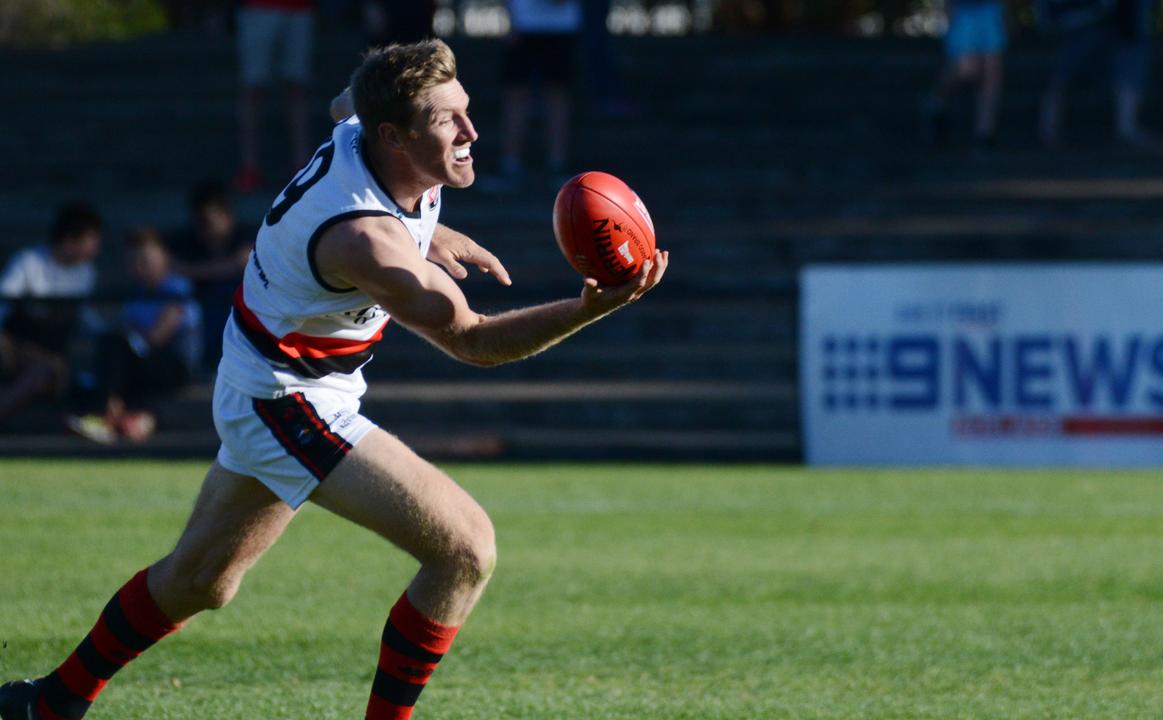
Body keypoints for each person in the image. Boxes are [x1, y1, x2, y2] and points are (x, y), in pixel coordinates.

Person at [0, 39, 667, 720]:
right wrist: (590, 309)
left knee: (203, 581)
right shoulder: (364, 242)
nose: (471, 133)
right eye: (447, 122)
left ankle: (49, 704)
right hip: (286, 396)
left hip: (273, 373)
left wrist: (425, 230)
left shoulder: (368, 127)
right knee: (466, 550)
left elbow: (347, 99)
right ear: (394, 139)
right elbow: (474, 341)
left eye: (466, 110)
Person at [66, 229, 201, 445]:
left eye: (145, 260)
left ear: (164, 257)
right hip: (140, 364)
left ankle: (105, 417)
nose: (139, 267)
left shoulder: (178, 289)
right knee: (97, 367)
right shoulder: (136, 294)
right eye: (133, 261)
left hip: (172, 364)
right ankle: (118, 415)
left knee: (113, 347)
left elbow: (155, 339)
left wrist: (132, 335)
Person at [0, 203, 101, 424]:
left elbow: (88, 319)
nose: (96, 248)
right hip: (14, 346)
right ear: (70, 239)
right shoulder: (29, 262)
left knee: (45, 372)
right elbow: (4, 300)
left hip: (51, 357)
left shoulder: (86, 273)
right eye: (91, 239)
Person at [488, 0, 583, 192]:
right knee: (516, 95)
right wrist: (510, 20)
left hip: (562, 26)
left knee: (558, 96)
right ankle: (510, 165)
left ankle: (557, 164)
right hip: (523, 24)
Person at [1038, 0, 1156, 146]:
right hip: (1072, 28)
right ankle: (1049, 129)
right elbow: (1050, 15)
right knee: (1061, 73)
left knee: (1132, 52)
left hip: (1118, 27)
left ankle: (1126, 127)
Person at [169, 180, 254, 369]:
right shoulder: (186, 241)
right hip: (202, 308)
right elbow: (173, 267)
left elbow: (243, 261)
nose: (203, 227)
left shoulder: (244, 235)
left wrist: (197, 271)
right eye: (199, 221)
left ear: (227, 215)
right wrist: (225, 267)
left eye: (207, 220)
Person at [234, 0, 316, 192]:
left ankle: (300, 163)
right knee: (254, 87)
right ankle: (249, 166)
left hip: (299, 8)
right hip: (259, 6)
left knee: (297, 87)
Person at [922, 0, 1006, 148]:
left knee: (992, 70)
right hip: (962, 9)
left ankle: (984, 132)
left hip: (990, 8)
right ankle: (936, 100)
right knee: (967, 69)